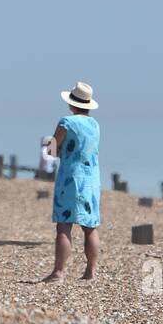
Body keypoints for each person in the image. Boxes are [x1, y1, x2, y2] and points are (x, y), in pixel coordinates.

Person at [44, 82, 101, 282]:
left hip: (71, 177)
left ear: (72, 103)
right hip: (92, 179)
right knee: (90, 226)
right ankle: (91, 271)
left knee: (64, 226)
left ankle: (59, 272)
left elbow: (52, 152)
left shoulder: (66, 122)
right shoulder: (95, 124)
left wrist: (48, 143)